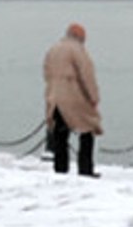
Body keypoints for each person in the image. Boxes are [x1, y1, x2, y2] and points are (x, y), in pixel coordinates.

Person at [42, 22, 103, 177]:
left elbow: (46, 73)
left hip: (54, 96)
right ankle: (85, 169)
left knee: (60, 136)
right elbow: (86, 75)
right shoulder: (77, 50)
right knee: (87, 131)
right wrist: (94, 97)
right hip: (74, 96)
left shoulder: (53, 49)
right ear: (80, 37)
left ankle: (60, 168)